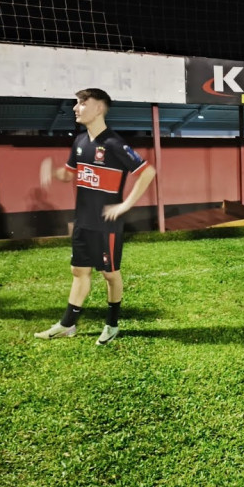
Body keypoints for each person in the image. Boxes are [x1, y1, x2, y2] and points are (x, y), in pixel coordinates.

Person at [35, 88, 156, 345]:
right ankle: (68, 324)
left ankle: (112, 324)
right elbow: (70, 174)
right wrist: (53, 172)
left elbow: (147, 172)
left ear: (98, 108)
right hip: (83, 220)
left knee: (110, 274)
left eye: (81, 103)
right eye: (76, 103)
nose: (75, 108)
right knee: (78, 270)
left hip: (107, 224)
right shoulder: (79, 141)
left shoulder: (113, 143)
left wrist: (125, 205)